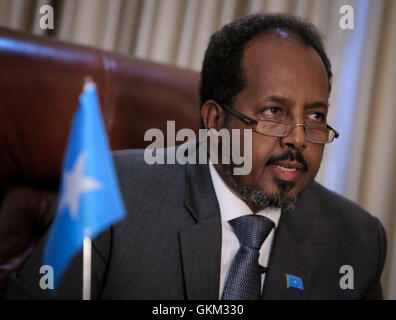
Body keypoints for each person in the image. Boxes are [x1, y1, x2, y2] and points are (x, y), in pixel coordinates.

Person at [6, 13, 386, 300]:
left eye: (315, 116)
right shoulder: (114, 192)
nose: (299, 139)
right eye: (274, 112)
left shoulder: (357, 242)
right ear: (214, 120)